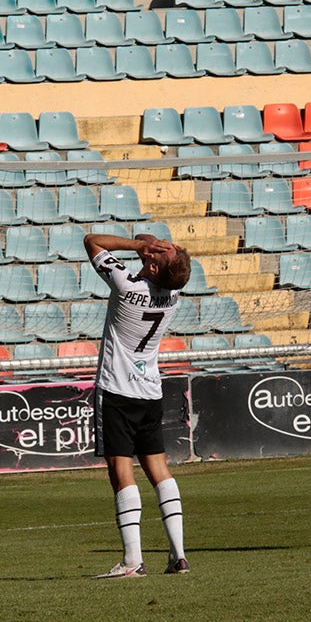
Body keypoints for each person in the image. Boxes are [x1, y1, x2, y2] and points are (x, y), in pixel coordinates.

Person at [84, 232, 192, 579]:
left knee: (121, 473)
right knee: (159, 471)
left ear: (150, 264)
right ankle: (178, 557)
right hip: (151, 392)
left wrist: (136, 244)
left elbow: (91, 241)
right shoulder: (174, 293)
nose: (161, 245)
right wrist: (150, 248)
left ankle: (132, 561)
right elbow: (159, 257)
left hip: (117, 391)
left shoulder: (126, 286)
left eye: (163, 251)